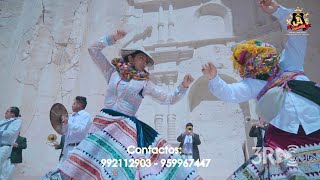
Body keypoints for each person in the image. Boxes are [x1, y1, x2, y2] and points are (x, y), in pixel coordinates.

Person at [43, 29, 201, 180]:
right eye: (141, 58)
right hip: (103, 122)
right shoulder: (112, 72)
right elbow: (93, 50)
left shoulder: (145, 83)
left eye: (146, 61)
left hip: (124, 128)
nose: (144, 62)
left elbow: (167, 98)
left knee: (118, 165)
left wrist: (183, 87)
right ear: (131, 58)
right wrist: (112, 38)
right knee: (87, 159)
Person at [202, 0, 320, 178]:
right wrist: (214, 79)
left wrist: (279, 10)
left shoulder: (290, 62)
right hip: (284, 137)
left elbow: (299, 31)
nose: (258, 57)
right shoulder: (255, 83)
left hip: (315, 124)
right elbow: (230, 92)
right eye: (251, 57)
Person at [59, 96, 92, 163]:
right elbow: (64, 132)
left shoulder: (86, 116)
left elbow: (80, 129)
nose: (72, 105)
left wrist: (68, 121)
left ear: (79, 105)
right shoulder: (71, 116)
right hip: (67, 149)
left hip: (76, 148)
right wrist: (63, 123)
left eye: (74, 103)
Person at [0, 107, 22, 180]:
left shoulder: (17, 121)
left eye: (7, 111)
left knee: (6, 173)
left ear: (12, 114)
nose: (5, 113)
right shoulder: (2, 121)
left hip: (4, 147)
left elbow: (11, 132)